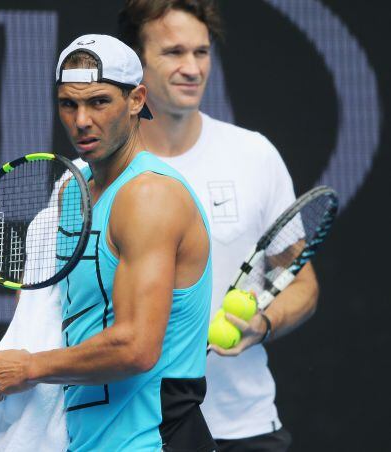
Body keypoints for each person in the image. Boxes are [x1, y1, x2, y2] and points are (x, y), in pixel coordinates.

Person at [0, 34, 215, 451]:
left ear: (136, 99)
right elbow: (52, 314)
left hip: (153, 442)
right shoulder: (71, 192)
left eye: (99, 102)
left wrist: (32, 366)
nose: (82, 120)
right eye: (68, 104)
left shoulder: (149, 197)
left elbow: (136, 347)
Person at [118, 1, 319, 449]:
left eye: (201, 52)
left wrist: (262, 324)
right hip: (130, 432)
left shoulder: (255, 156)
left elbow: (302, 283)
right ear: (135, 64)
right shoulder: (95, 177)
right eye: (174, 52)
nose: (192, 68)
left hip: (243, 430)